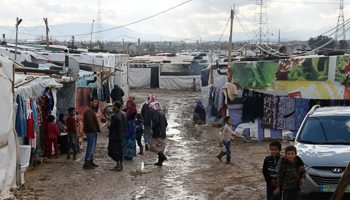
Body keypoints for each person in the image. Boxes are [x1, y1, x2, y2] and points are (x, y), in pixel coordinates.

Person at [108, 101, 127, 171]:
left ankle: (118, 164)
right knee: (119, 150)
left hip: (115, 136)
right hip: (122, 135)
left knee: (113, 150)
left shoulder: (115, 115)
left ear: (115, 106)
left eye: (113, 105)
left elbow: (112, 127)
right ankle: (119, 164)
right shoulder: (124, 114)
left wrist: (108, 126)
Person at [83, 97, 101, 169]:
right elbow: (90, 123)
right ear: (91, 102)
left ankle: (90, 160)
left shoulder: (91, 109)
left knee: (92, 148)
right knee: (90, 148)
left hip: (92, 132)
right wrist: (94, 130)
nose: (96, 103)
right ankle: (87, 162)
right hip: (91, 132)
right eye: (95, 102)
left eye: (97, 102)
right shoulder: (88, 111)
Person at [149, 102, 168, 166]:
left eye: (151, 107)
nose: (150, 109)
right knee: (161, 147)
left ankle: (162, 156)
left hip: (157, 133)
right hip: (163, 133)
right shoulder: (162, 112)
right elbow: (166, 123)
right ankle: (160, 161)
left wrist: (153, 128)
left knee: (152, 146)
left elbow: (156, 122)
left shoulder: (155, 112)